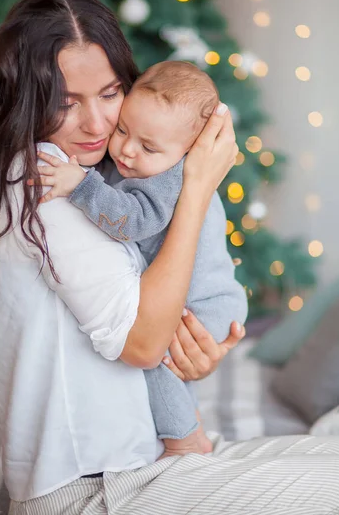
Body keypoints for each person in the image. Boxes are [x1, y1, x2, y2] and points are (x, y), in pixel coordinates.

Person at [0, 0, 339, 515]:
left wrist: (188, 350)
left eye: (111, 93)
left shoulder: (95, 171)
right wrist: (198, 184)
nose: (97, 125)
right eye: (66, 104)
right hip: (93, 488)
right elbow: (142, 344)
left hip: (140, 465)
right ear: (27, 101)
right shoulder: (47, 183)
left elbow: (154, 323)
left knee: (327, 456)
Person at [30, 60, 248, 459]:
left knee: (157, 361)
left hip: (207, 305)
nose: (126, 150)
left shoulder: (171, 179)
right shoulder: (148, 161)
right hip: (196, 299)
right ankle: (187, 419)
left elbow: (132, 220)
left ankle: (184, 440)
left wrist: (79, 184)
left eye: (147, 146)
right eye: (124, 130)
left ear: (190, 151)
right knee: (164, 362)